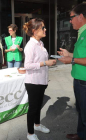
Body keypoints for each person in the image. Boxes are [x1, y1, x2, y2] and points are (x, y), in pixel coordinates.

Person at [23, 18, 56, 140]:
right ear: (34, 31)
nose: (45, 29)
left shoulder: (40, 43)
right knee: (33, 107)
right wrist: (44, 63)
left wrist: (47, 63)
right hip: (33, 81)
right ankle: (30, 133)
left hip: (42, 80)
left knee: (38, 105)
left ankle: (37, 125)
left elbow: (41, 61)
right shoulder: (30, 45)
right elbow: (27, 65)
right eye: (42, 27)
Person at [58, 3, 86, 140]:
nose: (70, 21)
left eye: (71, 17)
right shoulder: (82, 32)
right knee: (80, 110)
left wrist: (72, 60)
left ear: (81, 16)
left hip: (85, 81)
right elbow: (80, 55)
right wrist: (69, 54)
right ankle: (81, 134)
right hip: (79, 80)